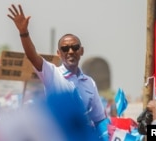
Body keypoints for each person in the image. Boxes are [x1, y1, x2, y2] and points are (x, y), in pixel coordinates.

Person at [7, 3, 108, 140]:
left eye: (75, 47)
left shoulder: (90, 83)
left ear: (81, 51)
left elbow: (99, 119)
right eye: (65, 49)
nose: (70, 51)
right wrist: (23, 32)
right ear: (59, 53)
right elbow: (32, 56)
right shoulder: (52, 74)